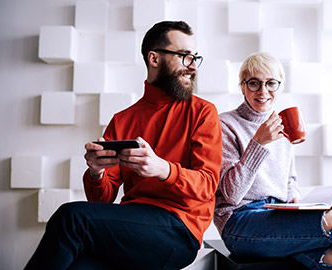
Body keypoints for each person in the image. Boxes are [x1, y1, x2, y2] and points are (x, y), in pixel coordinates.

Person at [25, 21, 222, 270]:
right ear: (154, 58)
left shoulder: (203, 111)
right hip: (131, 228)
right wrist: (96, 173)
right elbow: (103, 200)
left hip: (179, 231)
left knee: (72, 217)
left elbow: (207, 186)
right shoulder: (123, 119)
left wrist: (163, 170)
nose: (193, 66)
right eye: (184, 56)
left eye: (195, 58)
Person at [214, 52, 332, 269]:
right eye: (254, 83)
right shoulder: (225, 124)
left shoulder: (283, 126)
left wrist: (295, 199)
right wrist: (258, 143)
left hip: (278, 216)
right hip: (240, 223)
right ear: (242, 87)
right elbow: (231, 195)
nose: (263, 91)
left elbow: (289, 179)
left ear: (280, 87)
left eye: (271, 83)